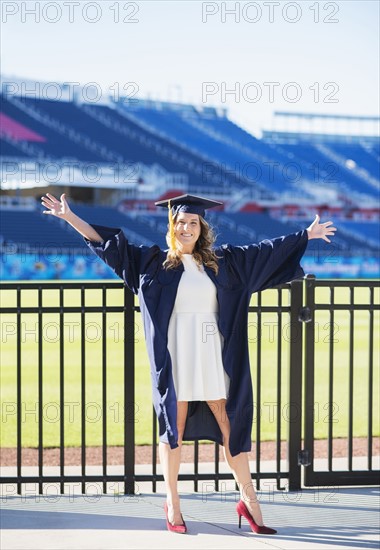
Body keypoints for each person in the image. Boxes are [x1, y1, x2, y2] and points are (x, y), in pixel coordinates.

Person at [41, 192, 337, 535]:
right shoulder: (151, 263)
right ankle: (173, 502)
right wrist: (70, 218)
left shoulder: (223, 263)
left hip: (214, 357)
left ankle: (250, 500)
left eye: (193, 223)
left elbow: (265, 252)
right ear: (172, 226)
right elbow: (109, 245)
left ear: (201, 227)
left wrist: (305, 235)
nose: (186, 227)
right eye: (181, 222)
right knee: (174, 427)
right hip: (177, 359)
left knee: (232, 427)